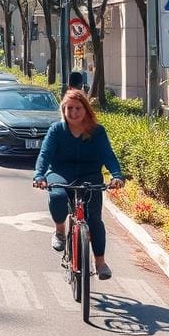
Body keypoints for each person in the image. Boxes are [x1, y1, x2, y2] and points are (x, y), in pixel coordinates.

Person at [33, 89, 124, 280]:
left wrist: (117, 175)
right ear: (63, 110)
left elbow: (108, 155)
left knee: (94, 221)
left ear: (86, 109)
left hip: (89, 175)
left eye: (78, 108)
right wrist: (39, 175)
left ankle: (100, 262)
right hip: (60, 173)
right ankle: (60, 230)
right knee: (57, 196)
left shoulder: (97, 132)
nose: (74, 113)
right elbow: (45, 155)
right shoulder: (56, 130)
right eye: (69, 109)